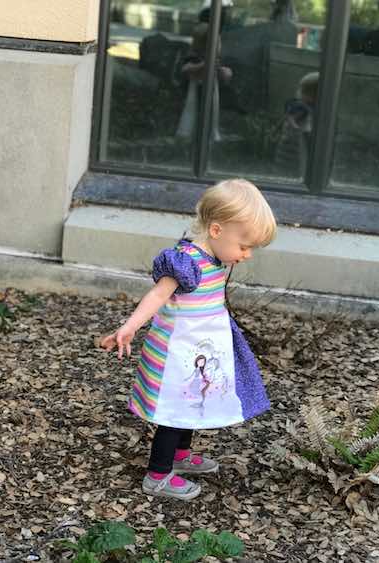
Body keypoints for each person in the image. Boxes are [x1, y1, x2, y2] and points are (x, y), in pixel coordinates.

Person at [100, 179, 276, 500]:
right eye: (244, 245)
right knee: (174, 410)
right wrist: (130, 326)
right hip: (176, 353)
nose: (247, 254)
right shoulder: (186, 262)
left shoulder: (217, 258)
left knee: (194, 402)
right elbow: (157, 295)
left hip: (201, 350)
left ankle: (180, 456)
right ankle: (157, 475)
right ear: (217, 231)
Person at [274, 72, 319, 178]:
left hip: (287, 153)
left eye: (302, 90)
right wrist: (297, 128)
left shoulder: (305, 108)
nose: (299, 92)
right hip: (292, 155)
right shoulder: (302, 108)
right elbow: (291, 119)